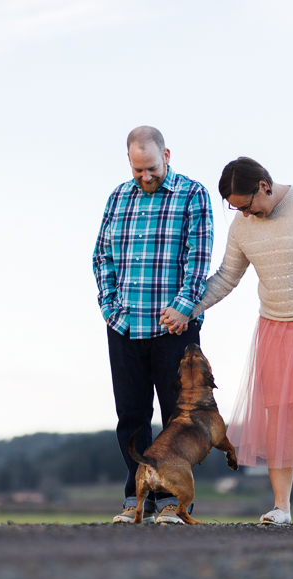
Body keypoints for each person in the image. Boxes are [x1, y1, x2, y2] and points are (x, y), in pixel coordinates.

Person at [162, 157, 293, 525]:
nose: (244, 213)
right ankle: (281, 508)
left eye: (246, 204)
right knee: (280, 419)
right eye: (236, 208)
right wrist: (187, 310)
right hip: (275, 327)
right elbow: (227, 277)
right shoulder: (242, 226)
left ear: (264, 186)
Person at [93, 126, 213, 525]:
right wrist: (111, 310)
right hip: (125, 326)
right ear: (130, 161)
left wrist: (182, 308)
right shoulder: (118, 197)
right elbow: (101, 257)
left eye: (153, 169)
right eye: (138, 169)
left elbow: (199, 259)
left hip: (174, 328)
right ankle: (136, 499)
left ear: (167, 155)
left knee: (177, 419)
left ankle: (172, 505)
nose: (146, 177)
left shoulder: (192, 195)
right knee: (131, 416)